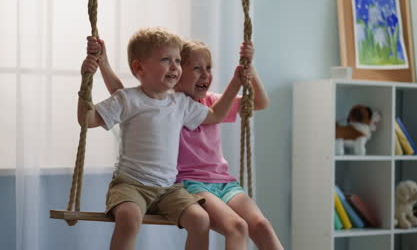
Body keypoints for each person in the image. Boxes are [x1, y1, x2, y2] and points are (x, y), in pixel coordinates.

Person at [87, 36, 282, 250]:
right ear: (176, 77)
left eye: (208, 67)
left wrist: (248, 69)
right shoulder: (168, 103)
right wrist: (104, 64)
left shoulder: (212, 102)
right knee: (236, 226)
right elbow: (126, 97)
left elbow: (260, 102)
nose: (206, 74)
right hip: (191, 183)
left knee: (261, 224)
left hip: (224, 181)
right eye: (197, 68)